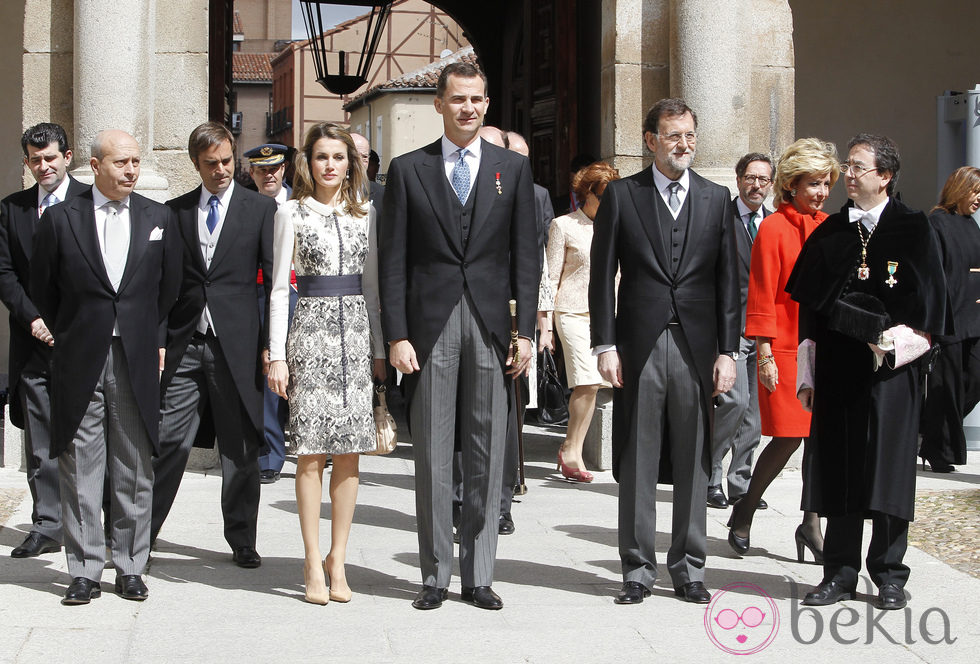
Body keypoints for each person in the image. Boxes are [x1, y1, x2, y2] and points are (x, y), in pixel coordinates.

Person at [379, 62, 538, 611]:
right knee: (430, 451)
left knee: (488, 450)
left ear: (487, 104)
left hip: (494, 323)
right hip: (430, 326)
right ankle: (434, 575)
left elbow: (526, 259)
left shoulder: (511, 170)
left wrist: (524, 332)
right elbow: (393, 262)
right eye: (458, 100)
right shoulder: (407, 170)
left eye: (476, 99)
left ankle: (480, 574)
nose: (468, 108)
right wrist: (396, 335)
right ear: (439, 105)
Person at [590, 98, 739, 605]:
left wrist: (729, 352)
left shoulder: (717, 199)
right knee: (637, 455)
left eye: (690, 136)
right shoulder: (621, 196)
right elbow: (600, 276)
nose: (684, 145)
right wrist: (605, 343)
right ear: (650, 140)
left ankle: (690, 567)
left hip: (698, 347)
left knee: (695, 456)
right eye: (673, 135)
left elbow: (729, 285)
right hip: (639, 344)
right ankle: (636, 568)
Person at [789, 134, 948, 611]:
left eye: (858, 167)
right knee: (840, 469)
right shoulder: (832, 232)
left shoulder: (915, 228)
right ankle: (839, 571)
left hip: (892, 374)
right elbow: (810, 314)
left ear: (885, 176)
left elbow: (935, 308)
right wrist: (808, 372)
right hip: (839, 372)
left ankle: (889, 573)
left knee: (889, 470)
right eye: (848, 166)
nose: (848, 175)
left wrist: (895, 343)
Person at [31, 129, 181, 604]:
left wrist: (151, 339)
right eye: (121, 163)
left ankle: (131, 565)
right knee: (80, 465)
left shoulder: (159, 217)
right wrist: (71, 336)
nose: (132, 171)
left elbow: (169, 290)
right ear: (95, 166)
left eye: (136, 162)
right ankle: (84, 569)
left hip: (134, 357)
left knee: (134, 464)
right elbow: (44, 290)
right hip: (80, 358)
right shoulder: (59, 220)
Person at [267, 122, 385, 605]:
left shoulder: (367, 215)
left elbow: (373, 289)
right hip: (309, 333)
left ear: (350, 163)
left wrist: (378, 350)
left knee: (351, 452)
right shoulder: (291, 213)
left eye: (338, 157)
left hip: (356, 335)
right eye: (321, 157)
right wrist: (277, 356)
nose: (330, 165)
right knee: (312, 452)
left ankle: (339, 557)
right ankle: (312, 560)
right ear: (308, 163)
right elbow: (279, 288)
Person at [152, 122, 276, 568]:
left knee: (241, 448)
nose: (222, 170)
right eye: (212, 164)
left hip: (237, 348)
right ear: (196, 164)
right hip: (185, 344)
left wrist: (270, 346)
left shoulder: (260, 211)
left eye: (227, 160)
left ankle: (242, 538)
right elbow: (164, 283)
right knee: (167, 442)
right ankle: (140, 537)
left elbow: (273, 286)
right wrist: (161, 337)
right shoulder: (175, 212)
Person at [727, 139, 839, 562]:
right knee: (789, 437)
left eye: (827, 183)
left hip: (824, 348)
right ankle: (745, 507)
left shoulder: (829, 225)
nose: (822, 192)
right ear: (792, 184)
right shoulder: (773, 227)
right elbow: (762, 293)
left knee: (818, 441)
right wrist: (766, 353)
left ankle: (810, 524)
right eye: (814, 183)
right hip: (786, 348)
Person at [0, 122, 89, 558]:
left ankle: (90, 524)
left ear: (67, 157)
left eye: (50, 158)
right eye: (35, 160)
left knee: (88, 439)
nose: (43, 166)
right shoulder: (13, 209)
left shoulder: (90, 205)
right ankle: (47, 524)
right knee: (40, 442)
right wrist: (33, 318)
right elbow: (5, 272)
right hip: (33, 343)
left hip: (81, 342)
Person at [546, 161, 619, 483]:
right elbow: (549, 278)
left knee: (598, 384)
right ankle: (572, 451)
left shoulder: (617, 226)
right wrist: (545, 325)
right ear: (588, 193)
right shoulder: (563, 225)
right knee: (587, 380)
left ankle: (570, 448)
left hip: (608, 315)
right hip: (571, 311)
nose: (607, 203)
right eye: (603, 196)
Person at [708, 153, 773, 510]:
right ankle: (710, 474)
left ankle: (741, 483)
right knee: (734, 402)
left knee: (755, 414)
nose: (756, 186)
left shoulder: (774, 223)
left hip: (764, 329)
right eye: (750, 177)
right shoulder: (722, 219)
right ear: (738, 180)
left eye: (764, 180)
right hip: (730, 326)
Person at [920, 166, 980, 472]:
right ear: (960, 188)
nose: (979, 199)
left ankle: (927, 430)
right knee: (949, 385)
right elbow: (934, 274)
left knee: (973, 380)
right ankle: (937, 447)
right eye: (975, 191)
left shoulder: (971, 225)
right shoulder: (938, 222)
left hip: (975, 317)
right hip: (951, 318)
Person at [245, 142, 295, 484]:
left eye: (275, 168)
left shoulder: (303, 202)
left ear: (285, 169)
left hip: (300, 293)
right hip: (260, 294)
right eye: (261, 170)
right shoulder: (244, 206)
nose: (269, 174)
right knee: (268, 372)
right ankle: (269, 453)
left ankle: (316, 445)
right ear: (252, 173)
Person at [350, 132, 385, 210]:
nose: (359, 162)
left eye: (364, 157)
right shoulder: (327, 192)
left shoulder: (382, 194)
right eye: (354, 156)